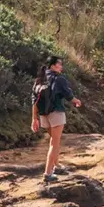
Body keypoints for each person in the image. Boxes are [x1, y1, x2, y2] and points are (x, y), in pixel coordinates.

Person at [31, 55, 82, 184]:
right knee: (54, 143)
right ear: (52, 66)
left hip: (43, 115)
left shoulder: (39, 79)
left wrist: (34, 119)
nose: (61, 66)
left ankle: (57, 166)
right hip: (56, 114)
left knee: (55, 140)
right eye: (59, 64)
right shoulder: (59, 79)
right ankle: (48, 173)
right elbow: (68, 95)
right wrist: (77, 101)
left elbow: (34, 101)